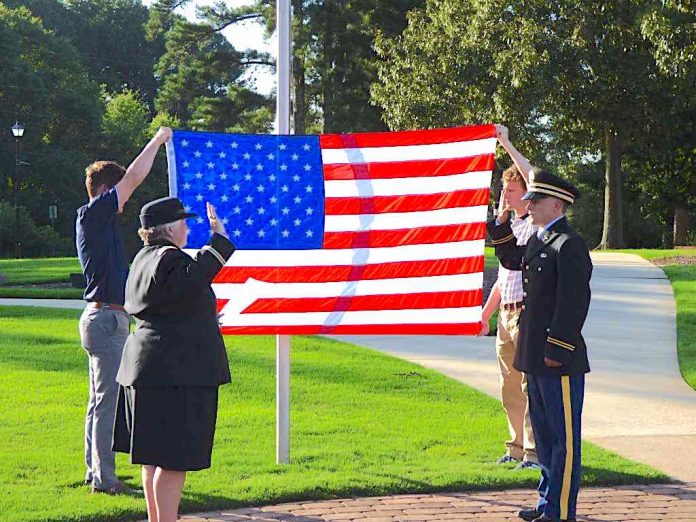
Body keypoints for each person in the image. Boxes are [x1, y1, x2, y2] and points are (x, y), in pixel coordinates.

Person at [113, 197, 235, 522]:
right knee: (174, 458)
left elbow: (171, 302)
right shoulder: (168, 257)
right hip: (174, 372)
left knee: (152, 457)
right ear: (169, 228)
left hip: (146, 367)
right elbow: (194, 279)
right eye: (183, 222)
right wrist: (219, 241)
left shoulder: (143, 257)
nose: (187, 227)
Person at [75, 127, 173, 494]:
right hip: (105, 320)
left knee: (98, 400)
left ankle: (94, 469)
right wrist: (158, 140)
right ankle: (105, 479)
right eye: (118, 195)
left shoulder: (97, 224)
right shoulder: (94, 214)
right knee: (107, 403)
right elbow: (133, 177)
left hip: (102, 317)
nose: (125, 202)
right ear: (104, 191)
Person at [513, 170, 592, 522]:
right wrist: (502, 218)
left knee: (564, 441)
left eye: (535, 201)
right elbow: (509, 259)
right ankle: (547, 503)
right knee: (544, 437)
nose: (529, 206)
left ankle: (560, 512)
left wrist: (557, 348)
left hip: (557, 357)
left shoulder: (568, 243)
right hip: (535, 355)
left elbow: (574, 303)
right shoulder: (540, 239)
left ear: (556, 204)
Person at [480, 125, 539, 470]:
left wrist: (505, 142)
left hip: (527, 315)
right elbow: (503, 279)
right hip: (505, 314)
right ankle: (515, 446)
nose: (505, 195)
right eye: (503, 189)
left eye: (511, 190)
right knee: (509, 387)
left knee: (531, 385)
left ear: (526, 193)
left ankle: (533, 452)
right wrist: (486, 314)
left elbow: (534, 174)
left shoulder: (534, 223)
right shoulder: (507, 227)